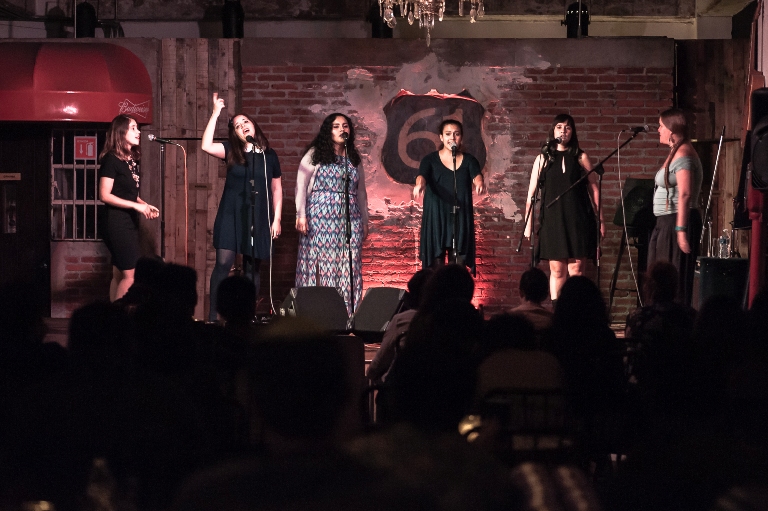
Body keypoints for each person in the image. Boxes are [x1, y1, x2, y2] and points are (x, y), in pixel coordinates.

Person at [202, 93, 283, 322]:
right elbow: (206, 146)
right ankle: (213, 317)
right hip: (231, 214)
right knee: (223, 264)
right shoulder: (231, 150)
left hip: (257, 216)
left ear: (254, 125)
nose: (243, 125)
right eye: (237, 125)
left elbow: (276, 189)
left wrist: (276, 218)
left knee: (252, 268)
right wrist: (215, 113)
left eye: (245, 121)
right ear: (235, 133)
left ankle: (246, 318)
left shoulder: (269, 156)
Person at [524, 114, 604, 302]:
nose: (563, 131)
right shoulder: (543, 158)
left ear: (573, 132)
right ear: (553, 131)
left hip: (578, 220)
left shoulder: (581, 157)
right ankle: (557, 310)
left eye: (567, 127)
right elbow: (531, 194)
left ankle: (576, 311)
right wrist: (528, 224)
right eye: (559, 127)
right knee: (557, 269)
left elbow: (594, 189)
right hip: (553, 220)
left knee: (577, 269)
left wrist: (601, 220)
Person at [295, 113, 368, 316]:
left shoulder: (353, 157)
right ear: (328, 131)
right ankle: (318, 315)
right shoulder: (315, 154)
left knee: (349, 265)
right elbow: (301, 185)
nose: (341, 130)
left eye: (345, 126)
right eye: (336, 126)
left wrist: (365, 220)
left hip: (350, 217)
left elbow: (361, 192)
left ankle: (348, 315)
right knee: (321, 264)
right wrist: (301, 214)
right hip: (320, 216)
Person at [98, 114, 159, 302]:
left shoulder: (129, 159)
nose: (138, 132)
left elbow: (129, 194)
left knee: (119, 273)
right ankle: (120, 317)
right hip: (116, 222)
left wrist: (144, 205)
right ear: (121, 132)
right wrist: (136, 206)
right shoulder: (111, 159)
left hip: (128, 220)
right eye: (133, 128)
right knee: (130, 275)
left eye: (137, 128)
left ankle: (113, 314)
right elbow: (104, 195)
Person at [647, 108, 703, 307]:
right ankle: (659, 317)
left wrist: (680, 230)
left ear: (671, 130)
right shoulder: (676, 151)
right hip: (666, 221)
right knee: (658, 276)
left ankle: (675, 320)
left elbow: (685, 193)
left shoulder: (684, 153)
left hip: (676, 220)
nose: (658, 130)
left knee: (674, 277)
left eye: (661, 126)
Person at [413, 120, 485, 272]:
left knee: (457, 266)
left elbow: (476, 175)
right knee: (436, 266)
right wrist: (419, 185)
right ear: (441, 137)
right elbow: (422, 176)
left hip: (459, 217)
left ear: (461, 137)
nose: (452, 137)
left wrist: (479, 183)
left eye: (456, 134)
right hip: (436, 216)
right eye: (448, 134)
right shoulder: (430, 160)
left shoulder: (469, 160)